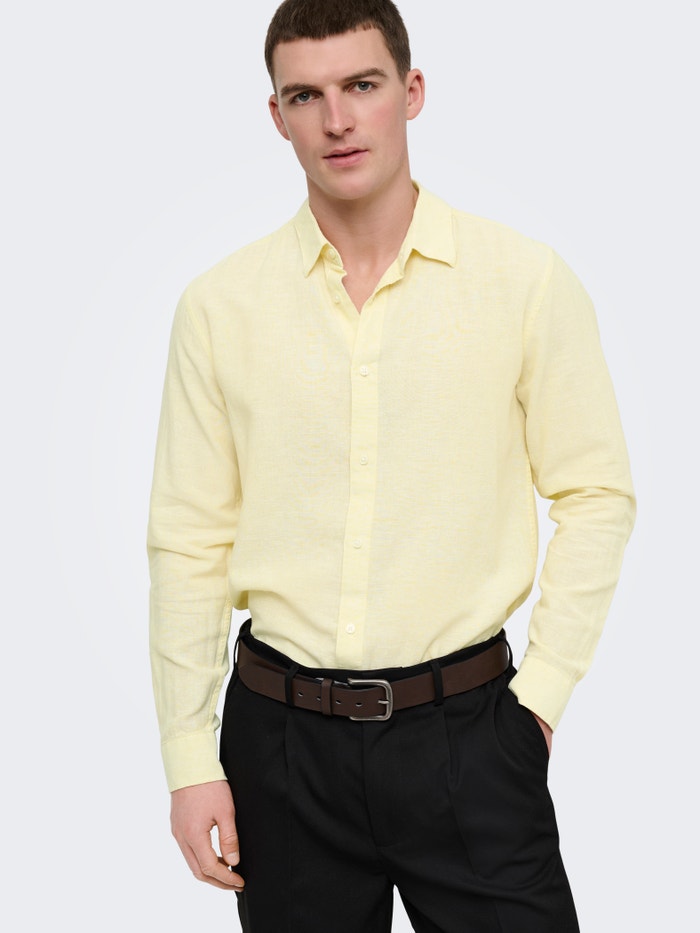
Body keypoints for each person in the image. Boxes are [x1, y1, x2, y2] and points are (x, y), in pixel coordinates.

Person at [147, 1, 635, 930]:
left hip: (471, 737)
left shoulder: (523, 282)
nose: (337, 120)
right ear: (277, 115)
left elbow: (596, 492)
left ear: (410, 92)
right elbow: (187, 539)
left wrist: (539, 702)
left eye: (361, 85)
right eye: (306, 95)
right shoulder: (219, 307)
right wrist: (189, 758)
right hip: (280, 748)